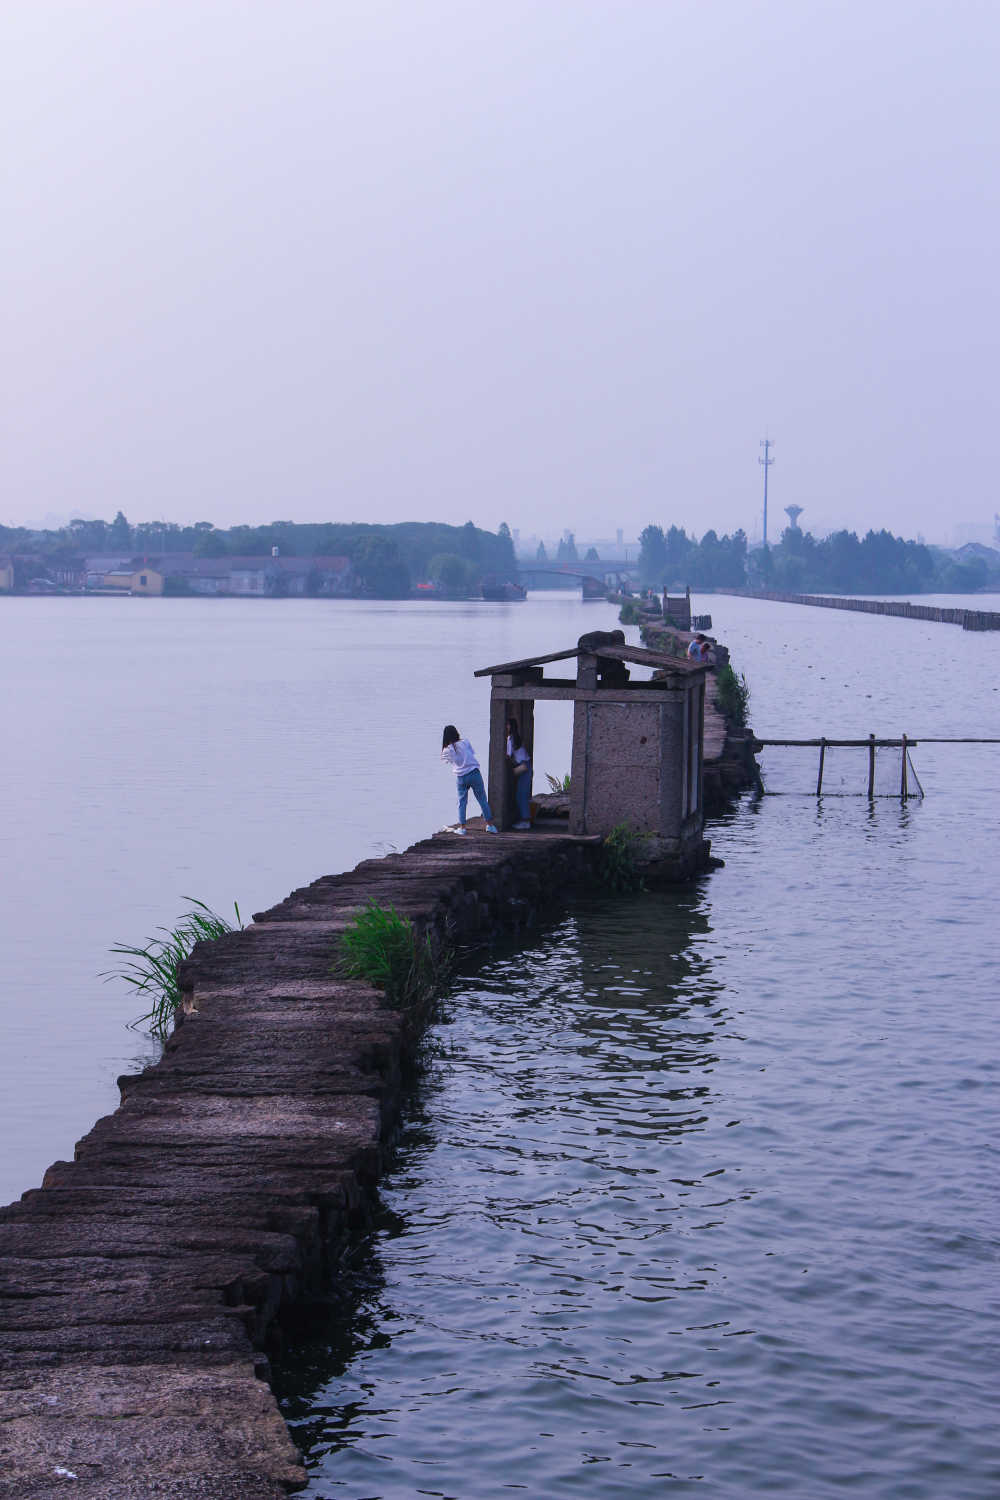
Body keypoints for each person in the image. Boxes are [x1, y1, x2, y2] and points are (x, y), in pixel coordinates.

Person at [440, 725, 498, 834]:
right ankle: (490, 825)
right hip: (474, 773)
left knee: (462, 802)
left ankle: (462, 828)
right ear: (456, 733)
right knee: (482, 800)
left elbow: (444, 759)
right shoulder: (465, 742)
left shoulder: (447, 749)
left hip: (461, 777)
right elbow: (471, 753)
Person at [505, 718, 532, 830]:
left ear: (510, 726)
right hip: (526, 766)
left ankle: (526, 821)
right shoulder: (517, 737)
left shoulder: (510, 738)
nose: (506, 727)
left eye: (507, 725)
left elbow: (508, 755)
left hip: (523, 767)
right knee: (522, 794)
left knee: (521, 795)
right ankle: (524, 819)